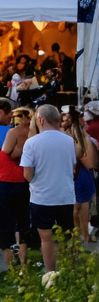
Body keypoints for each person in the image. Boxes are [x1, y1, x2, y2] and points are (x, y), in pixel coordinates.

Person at [22, 104, 78, 273]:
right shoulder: (68, 140)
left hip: (42, 197)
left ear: (40, 119)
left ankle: (50, 273)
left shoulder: (31, 142)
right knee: (66, 236)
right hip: (65, 195)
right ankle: (68, 270)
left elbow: (27, 173)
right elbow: (73, 167)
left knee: (46, 239)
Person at [0, 105, 34, 268]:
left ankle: (9, 263)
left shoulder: (13, 133)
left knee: (5, 223)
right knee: (23, 221)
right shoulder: (34, 136)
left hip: (6, 182)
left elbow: (4, 153)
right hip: (24, 182)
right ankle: (23, 261)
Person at [62, 106, 98, 243]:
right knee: (82, 206)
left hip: (76, 173)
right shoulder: (82, 134)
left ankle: (78, 237)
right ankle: (83, 236)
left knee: (77, 207)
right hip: (82, 173)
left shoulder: (71, 134)